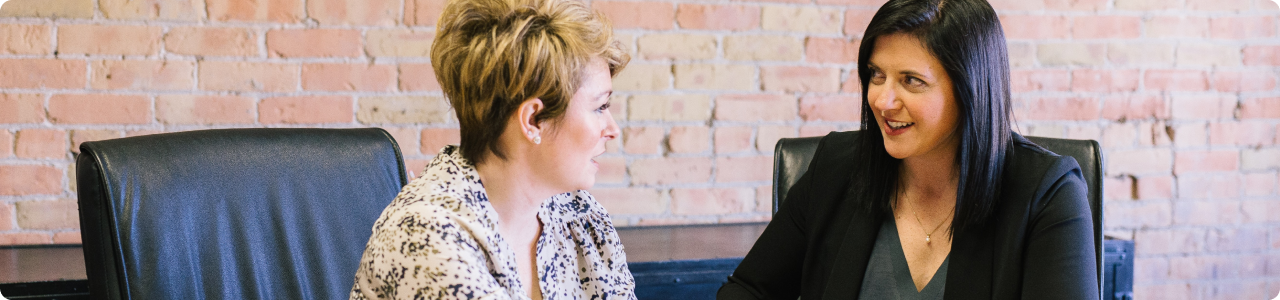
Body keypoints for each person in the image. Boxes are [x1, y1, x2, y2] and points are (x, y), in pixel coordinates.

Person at [717, 0, 1098, 299]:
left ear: (970, 91)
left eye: (911, 81)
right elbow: (748, 290)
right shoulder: (838, 166)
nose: (883, 101)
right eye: (876, 75)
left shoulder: (1049, 194)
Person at [348, 0, 632, 298]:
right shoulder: (428, 235)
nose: (612, 130)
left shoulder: (580, 215)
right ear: (532, 120)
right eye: (600, 107)